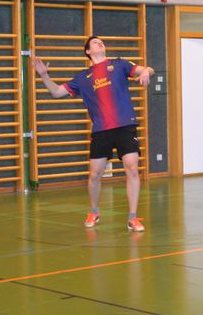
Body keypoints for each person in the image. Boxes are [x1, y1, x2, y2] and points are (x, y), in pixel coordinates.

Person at [32, 36, 153, 232]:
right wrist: (44, 76)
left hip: (125, 125)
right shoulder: (82, 77)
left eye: (101, 41)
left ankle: (133, 217)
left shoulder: (119, 64)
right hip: (101, 130)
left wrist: (146, 71)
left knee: (132, 169)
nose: (100, 43)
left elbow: (146, 69)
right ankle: (94, 211)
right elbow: (56, 92)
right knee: (95, 174)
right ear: (88, 51)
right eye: (95, 42)